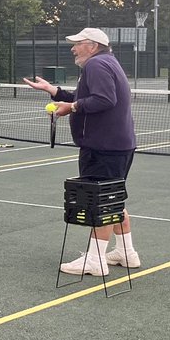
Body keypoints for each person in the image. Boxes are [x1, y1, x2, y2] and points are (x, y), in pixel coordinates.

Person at [24, 27, 137, 275]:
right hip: (115, 145)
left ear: (93, 45)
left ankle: (96, 260)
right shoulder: (106, 62)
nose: (73, 48)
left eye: (78, 44)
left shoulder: (96, 65)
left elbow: (104, 100)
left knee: (100, 201)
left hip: (103, 147)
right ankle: (126, 253)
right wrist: (54, 92)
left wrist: (71, 107)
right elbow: (87, 96)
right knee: (113, 198)